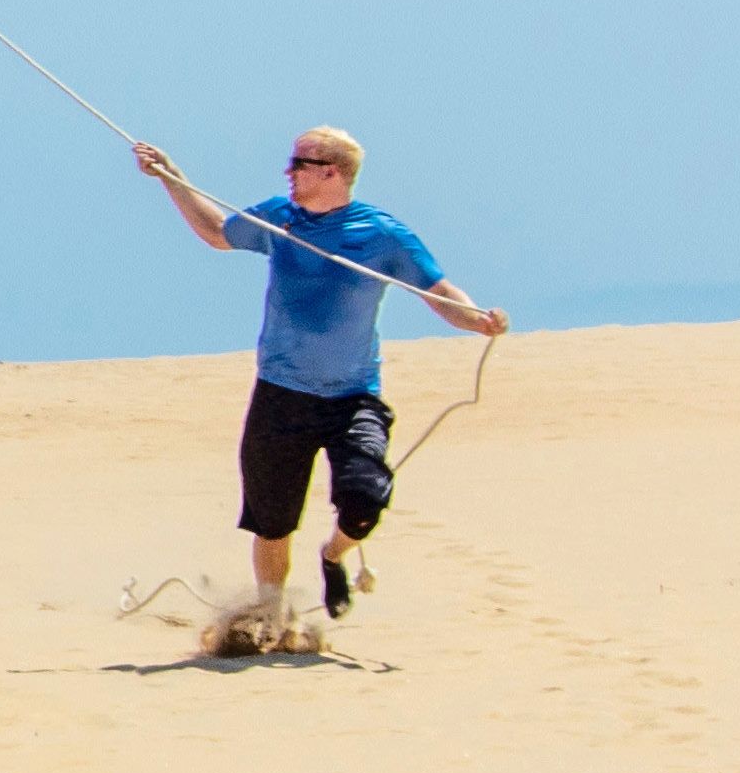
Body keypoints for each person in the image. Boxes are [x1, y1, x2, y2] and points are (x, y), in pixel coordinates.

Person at [133, 128, 506, 624]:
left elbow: (437, 291)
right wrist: (172, 179)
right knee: (272, 522)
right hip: (281, 395)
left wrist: (477, 320)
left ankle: (333, 556)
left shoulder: (382, 234)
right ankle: (270, 618)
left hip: (352, 397)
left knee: (365, 498)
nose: (288, 172)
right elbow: (218, 233)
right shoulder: (278, 217)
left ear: (332, 171)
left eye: (298, 163)